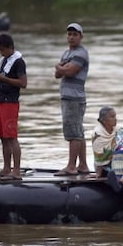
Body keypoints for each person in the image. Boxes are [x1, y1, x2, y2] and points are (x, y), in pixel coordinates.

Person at [0, 33, 27, 180]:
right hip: (2, 101)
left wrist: (2, 78)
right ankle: (6, 168)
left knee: (11, 137)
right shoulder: (3, 61)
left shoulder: (19, 62)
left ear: (10, 47)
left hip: (11, 102)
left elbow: (23, 83)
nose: (1, 53)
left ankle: (16, 170)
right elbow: (4, 81)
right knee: (3, 137)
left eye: (2, 49)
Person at [54, 23, 90, 176]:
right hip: (68, 96)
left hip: (74, 97)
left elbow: (70, 71)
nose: (71, 37)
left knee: (73, 132)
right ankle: (82, 165)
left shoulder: (81, 53)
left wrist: (60, 67)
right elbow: (57, 75)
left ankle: (71, 166)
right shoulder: (66, 53)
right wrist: (62, 68)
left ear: (81, 37)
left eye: (75, 35)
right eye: (69, 34)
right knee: (78, 131)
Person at [92, 106, 123, 178]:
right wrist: (98, 174)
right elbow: (99, 157)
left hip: (121, 161)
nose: (115, 119)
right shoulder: (98, 134)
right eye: (112, 117)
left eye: (115, 116)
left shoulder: (117, 129)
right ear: (104, 120)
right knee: (112, 173)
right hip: (105, 166)